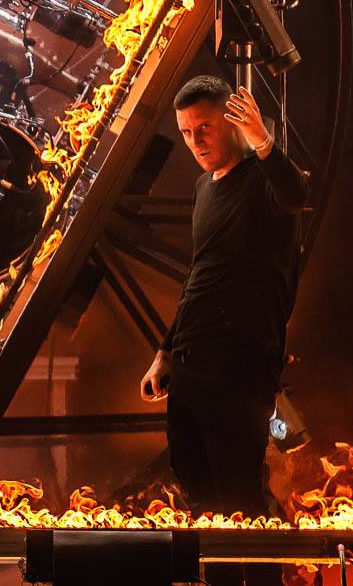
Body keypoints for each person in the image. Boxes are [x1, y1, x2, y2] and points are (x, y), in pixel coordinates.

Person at [138, 74, 308, 519]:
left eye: (205, 128)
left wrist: (263, 140)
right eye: (186, 132)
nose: (195, 141)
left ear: (231, 122)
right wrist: (166, 350)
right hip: (193, 362)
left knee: (240, 498)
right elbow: (201, 274)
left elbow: (296, 193)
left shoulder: (264, 181)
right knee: (197, 488)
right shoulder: (204, 188)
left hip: (240, 365)